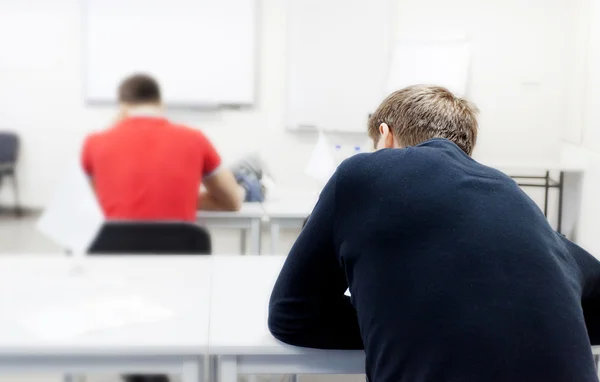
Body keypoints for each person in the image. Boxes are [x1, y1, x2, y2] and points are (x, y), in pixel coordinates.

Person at [268, 85, 600, 382]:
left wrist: (395, 321)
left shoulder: (363, 174)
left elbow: (292, 313)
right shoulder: (514, 197)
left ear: (386, 137)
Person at [81, 74, 243, 220]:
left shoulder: (94, 143)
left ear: (122, 108)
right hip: (177, 250)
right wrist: (177, 200)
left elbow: (95, 204)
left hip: (117, 251)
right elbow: (232, 202)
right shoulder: (195, 139)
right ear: (161, 105)